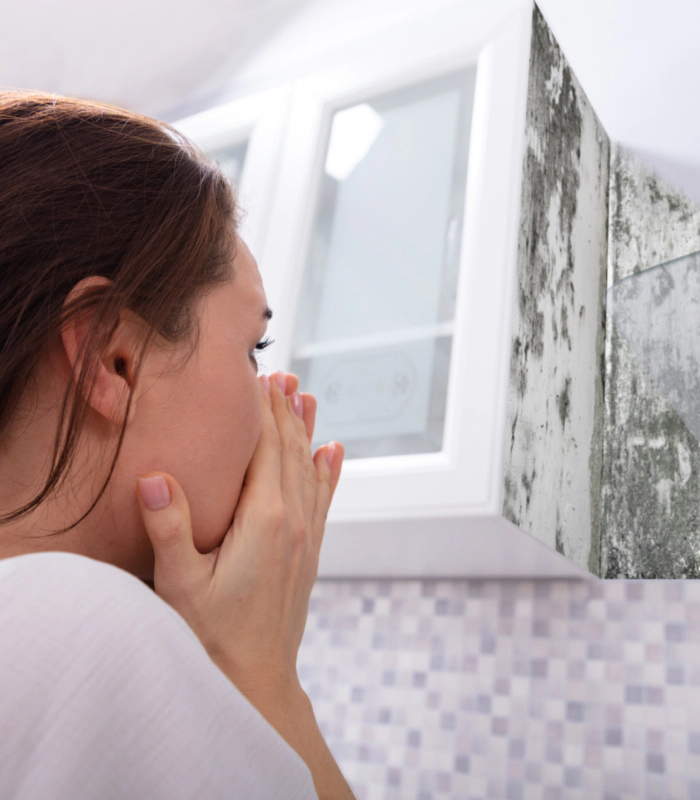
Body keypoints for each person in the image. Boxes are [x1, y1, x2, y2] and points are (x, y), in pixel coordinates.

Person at [0, 90, 355, 799]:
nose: (277, 396)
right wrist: (264, 680)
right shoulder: (84, 626)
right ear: (113, 358)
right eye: (254, 347)